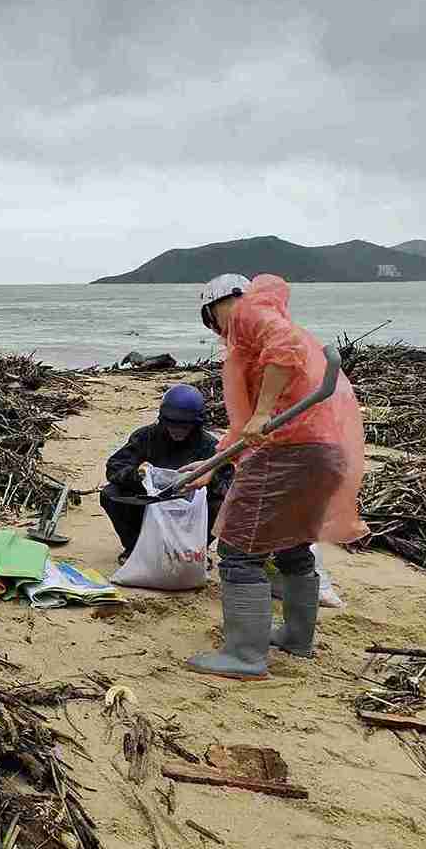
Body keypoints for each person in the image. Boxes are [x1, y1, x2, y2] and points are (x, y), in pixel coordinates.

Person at [184, 273, 366, 680]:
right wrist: (208, 469)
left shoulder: (250, 312)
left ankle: (245, 656)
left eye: (210, 319)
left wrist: (265, 412)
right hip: (323, 453)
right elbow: (241, 431)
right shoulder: (251, 337)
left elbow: (285, 349)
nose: (216, 330)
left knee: (237, 551)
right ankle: (296, 638)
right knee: (292, 548)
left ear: (215, 306)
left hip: (287, 453)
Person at [101, 384, 233, 560]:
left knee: (224, 504)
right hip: (149, 505)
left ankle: (196, 550)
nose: (177, 431)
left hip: (188, 513)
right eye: (172, 425)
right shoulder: (145, 437)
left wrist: (209, 479)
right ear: (163, 420)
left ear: (196, 424)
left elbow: (229, 484)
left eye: (184, 426)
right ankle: (134, 547)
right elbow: (115, 466)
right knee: (110, 494)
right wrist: (137, 474)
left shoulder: (209, 445)